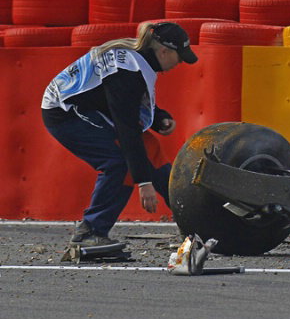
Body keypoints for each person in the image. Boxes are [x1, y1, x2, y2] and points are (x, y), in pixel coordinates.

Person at [41, 21, 198, 247]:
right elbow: (127, 127)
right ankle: (90, 232)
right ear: (164, 51)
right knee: (118, 163)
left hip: (89, 106)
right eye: (180, 56)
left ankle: (191, 222)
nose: (181, 61)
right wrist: (144, 183)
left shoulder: (137, 61)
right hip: (64, 112)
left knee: (150, 149)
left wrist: (157, 118)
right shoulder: (127, 71)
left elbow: (124, 104)